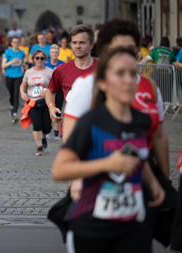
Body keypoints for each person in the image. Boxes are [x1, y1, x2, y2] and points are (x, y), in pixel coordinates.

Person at [52, 47, 164, 253]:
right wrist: (107, 164)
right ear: (102, 82)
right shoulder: (90, 122)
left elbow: (138, 156)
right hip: (91, 224)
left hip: (133, 223)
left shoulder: (142, 121)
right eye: (120, 74)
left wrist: (153, 182)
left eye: (133, 73)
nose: (129, 80)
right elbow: (59, 170)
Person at [45, 24, 98, 132]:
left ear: (91, 45)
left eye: (82, 43)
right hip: (70, 128)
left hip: (97, 128)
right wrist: (51, 107)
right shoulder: (62, 70)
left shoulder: (103, 69)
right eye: (74, 43)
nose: (77, 46)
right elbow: (50, 91)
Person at [20, 49, 53, 155]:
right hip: (32, 102)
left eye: (42, 58)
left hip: (46, 102)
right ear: (33, 59)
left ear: (45, 59)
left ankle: (44, 138)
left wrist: (47, 91)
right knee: (37, 124)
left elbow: (55, 87)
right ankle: (39, 147)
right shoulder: (29, 72)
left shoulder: (49, 71)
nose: (39, 60)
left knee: (47, 126)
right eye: (37, 58)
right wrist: (22, 93)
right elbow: (23, 85)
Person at [2, 36, 26, 123]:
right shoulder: (8, 52)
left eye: (17, 42)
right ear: (11, 43)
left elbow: (23, 62)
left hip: (19, 75)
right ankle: (11, 106)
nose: (16, 44)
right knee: (11, 94)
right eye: (14, 42)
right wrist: (12, 62)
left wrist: (24, 67)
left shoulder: (22, 53)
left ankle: (15, 113)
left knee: (16, 94)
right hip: (9, 75)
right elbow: (3, 65)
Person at [44, 44, 65, 140]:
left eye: (56, 52)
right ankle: (48, 129)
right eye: (53, 52)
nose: (54, 54)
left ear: (59, 53)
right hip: (48, 89)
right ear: (50, 53)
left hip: (59, 89)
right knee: (49, 107)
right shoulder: (45, 63)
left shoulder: (62, 64)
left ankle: (57, 132)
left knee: (58, 109)